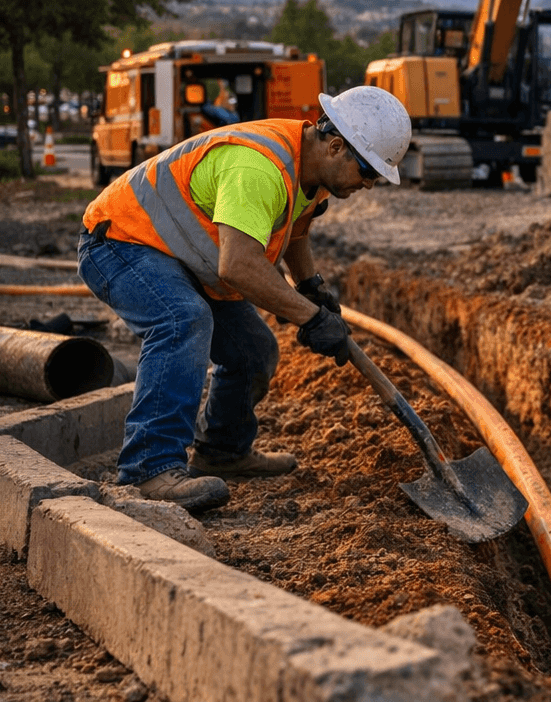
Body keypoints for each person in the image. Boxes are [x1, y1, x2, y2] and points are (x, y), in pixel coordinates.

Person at [77, 86, 413, 513]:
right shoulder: (259, 167)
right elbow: (237, 265)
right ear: (334, 146)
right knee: (183, 320)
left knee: (253, 350)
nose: (368, 184)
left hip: (179, 255)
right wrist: (311, 318)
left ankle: (222, 450)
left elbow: (296, 224)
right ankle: (149, 469)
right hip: (119, 241)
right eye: (368, 172)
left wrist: (311, 285)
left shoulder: (310, 168)